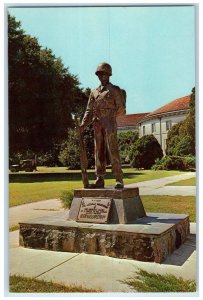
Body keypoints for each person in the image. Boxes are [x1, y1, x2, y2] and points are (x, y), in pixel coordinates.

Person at [80, 62, 126, 189]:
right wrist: (83, 124)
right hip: (97, 123)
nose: (101, 76)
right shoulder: (94, 92)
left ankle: (118, 178)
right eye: (99, 74)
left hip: (109, 122)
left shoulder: (115, 90)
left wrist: (110, 116)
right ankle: (99, 177)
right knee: (98, 150)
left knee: (112, 149)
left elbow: (121, 108)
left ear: (109, 75)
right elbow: (89, 110)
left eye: (104, 74)